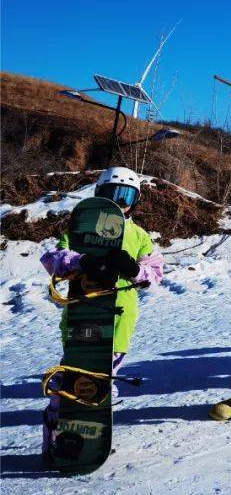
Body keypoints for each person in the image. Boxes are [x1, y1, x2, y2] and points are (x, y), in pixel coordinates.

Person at [40, 167, 164, 449]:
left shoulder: (140, 235)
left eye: (126, 195)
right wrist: (82, 262)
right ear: (98, 195)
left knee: (102, 377)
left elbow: (155, 275)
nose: (119, 202)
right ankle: (58, 429)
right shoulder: (79, 229)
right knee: (74, 373)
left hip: (119, 320)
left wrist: (133, 269)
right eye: (111, 194)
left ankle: (94, 430)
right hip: (83, 313)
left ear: (136, 200)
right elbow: (53, 259)